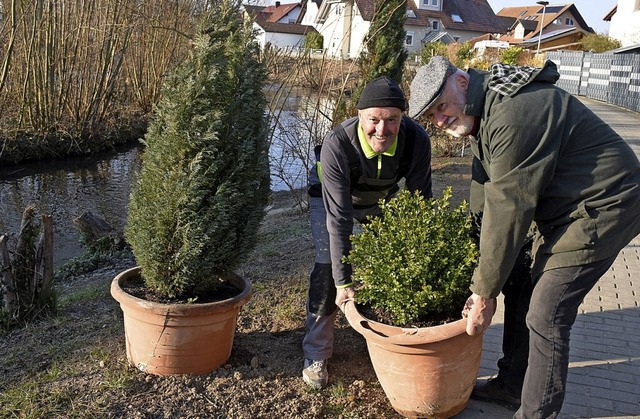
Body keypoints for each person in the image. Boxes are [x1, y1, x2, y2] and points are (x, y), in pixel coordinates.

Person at [408, 56, 640, 417]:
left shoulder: (514, 113)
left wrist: (483, 292)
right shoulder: (484, 113)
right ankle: (513, 385)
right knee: (517, 279)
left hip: (607, 204)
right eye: (431, 117)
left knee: (547, 313)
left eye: (441, 106)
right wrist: (474, 259)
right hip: (564, 208)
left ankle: (535, 413)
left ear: (462, 82)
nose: (439, 121)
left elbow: (509, 206)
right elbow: (484, 189)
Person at [303, 76, 432, 389]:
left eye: (392, 120)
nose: (382, 129)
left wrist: (423, 255)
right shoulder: (338, 144)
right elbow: (340, 220)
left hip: (379, 198)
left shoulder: (416, 140)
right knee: (327, 267)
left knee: (395, 259)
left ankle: (384, 329)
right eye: (373, 119)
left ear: (403, 118)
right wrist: (343, 281)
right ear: (359, 116)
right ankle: (316, 352)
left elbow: (420, 205)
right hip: (330, 198)